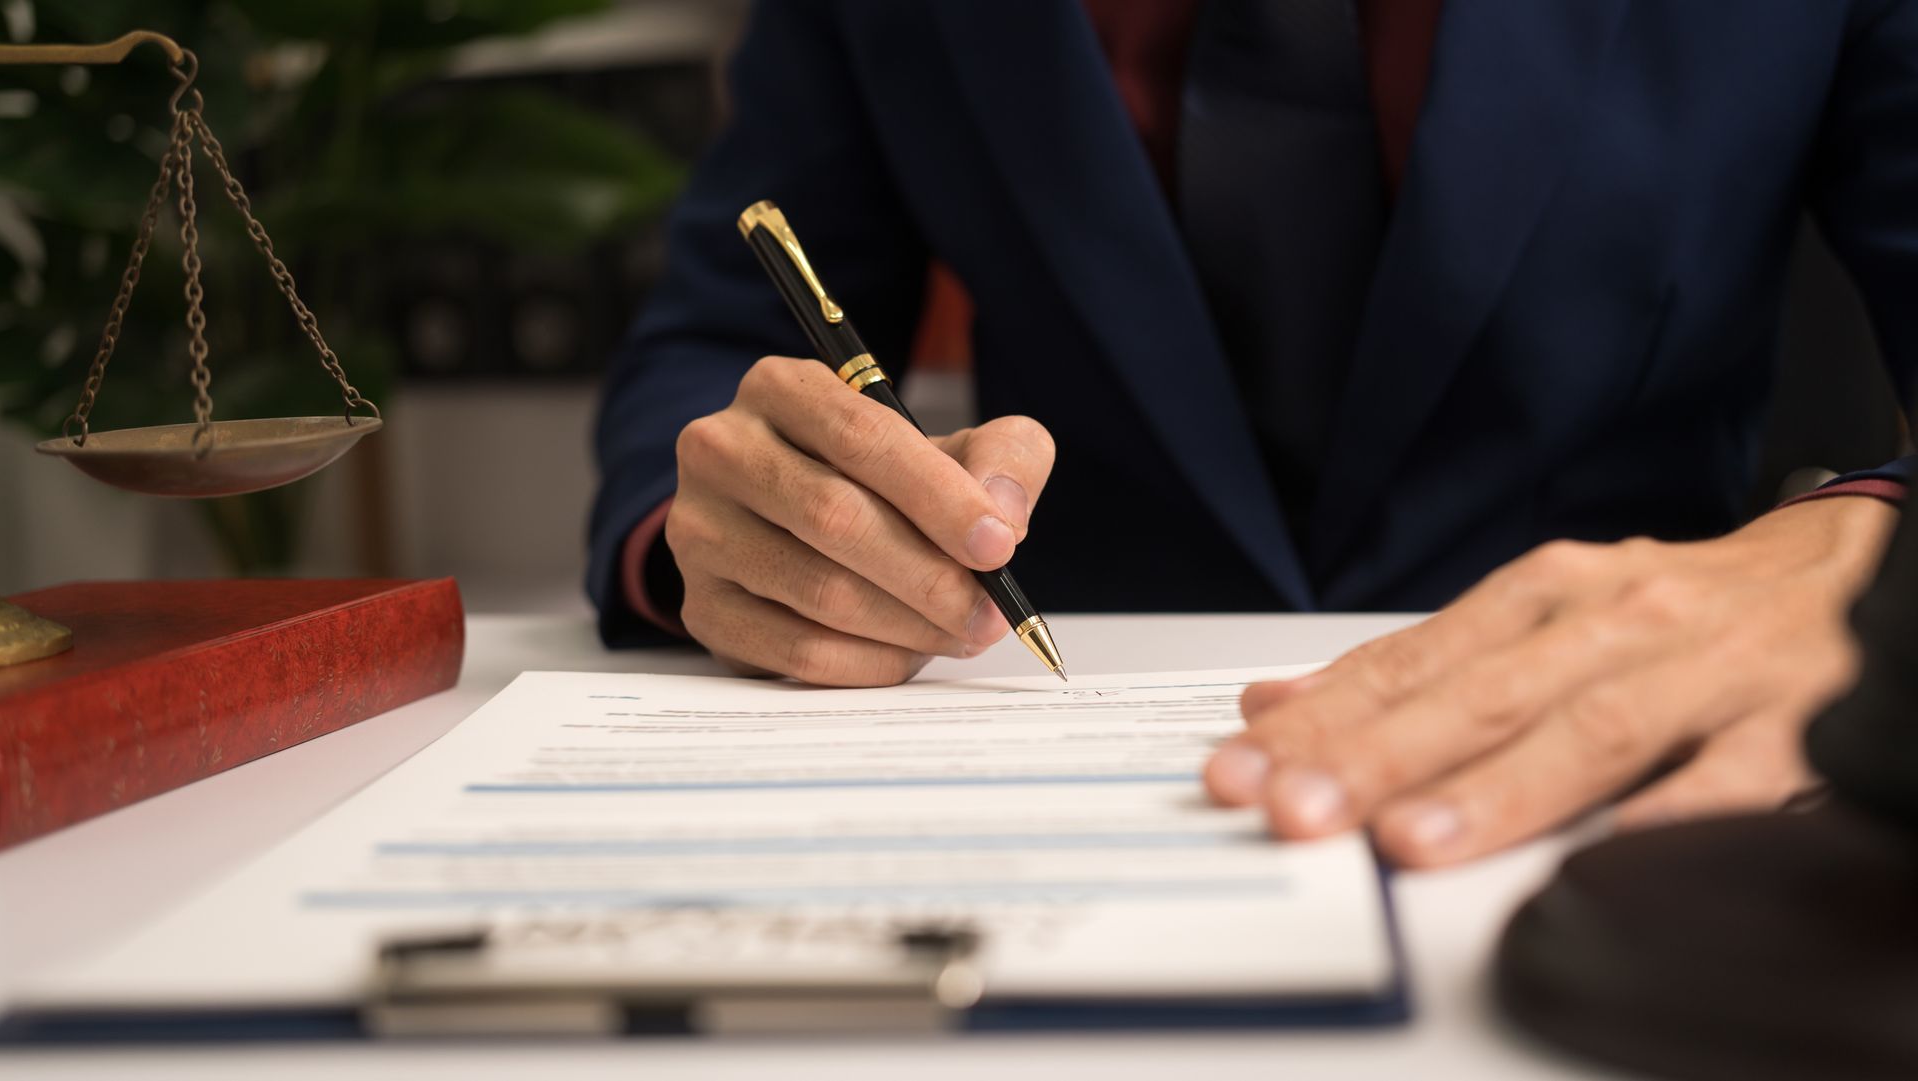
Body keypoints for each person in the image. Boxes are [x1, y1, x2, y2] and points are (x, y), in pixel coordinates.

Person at [590, 1, 1914, 868]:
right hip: (1049, 784)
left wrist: (1874, 550)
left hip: (1635, 797)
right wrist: (731, 517)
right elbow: (719, 334)